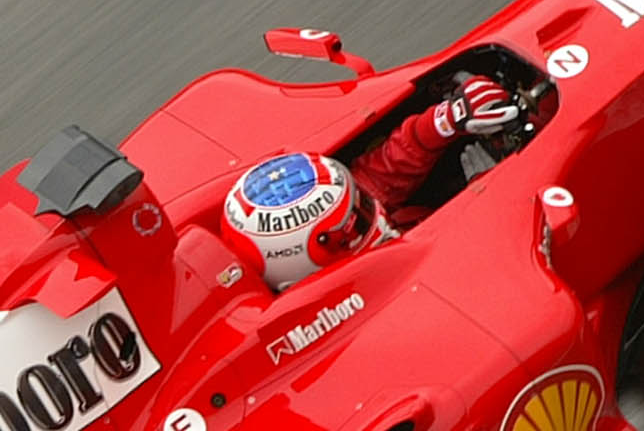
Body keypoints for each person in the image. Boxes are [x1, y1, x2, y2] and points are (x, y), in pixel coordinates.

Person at [221, 73, 528, 292]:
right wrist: (488, 193)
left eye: (358, 201)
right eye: (356, 222)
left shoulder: (333, 215)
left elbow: (373, 181)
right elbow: (473, 274)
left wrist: (442, 122)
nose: (373, 209)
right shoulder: (394, 298)